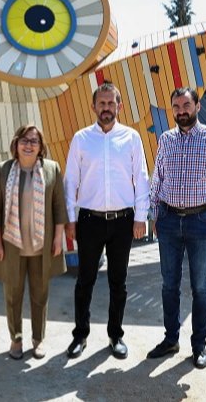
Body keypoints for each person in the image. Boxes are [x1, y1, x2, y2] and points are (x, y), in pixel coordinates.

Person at [147, 87, 206, 369]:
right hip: (169, 220)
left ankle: (199, 347)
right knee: (168, 284)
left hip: (202, 221)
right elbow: (157, 180)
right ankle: (170, 339)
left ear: (197, 106)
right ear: (171, 110)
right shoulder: (166, 140)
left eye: (186, 105)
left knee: (200, 286)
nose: (181, 111)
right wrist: (153, 215)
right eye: (176, 106)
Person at [64, 81, 150, 360]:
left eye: (111, 103)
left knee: (118, 282)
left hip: (123, 222)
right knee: (84, 280)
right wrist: (69, 219)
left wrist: (140, 218)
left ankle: (116, 335)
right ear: (93, 107)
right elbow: (70, 181)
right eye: (101, 103)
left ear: (119, 106)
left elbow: (142, 179)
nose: (106, 108)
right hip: (89, 220)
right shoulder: (81, 139)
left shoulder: (132, 138)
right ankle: (80, 335)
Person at [0, 125, 68, 360]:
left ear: (41, 147)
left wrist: (58, 238)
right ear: (16, 143)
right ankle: (16, 339)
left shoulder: (52, 169)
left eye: (34, 141)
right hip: (12, 246)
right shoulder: (3, 171)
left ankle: (38, 339)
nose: (29, 145)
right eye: (24, 140)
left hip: (42, 246)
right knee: (13, 295)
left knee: (40, 295)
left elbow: (59, 207)